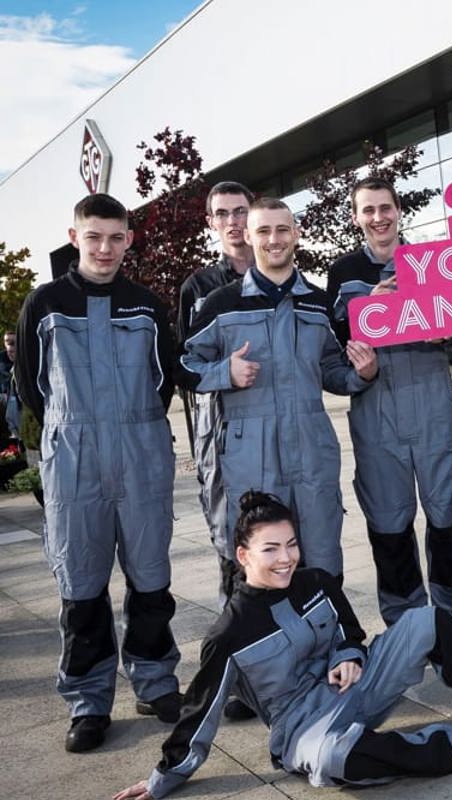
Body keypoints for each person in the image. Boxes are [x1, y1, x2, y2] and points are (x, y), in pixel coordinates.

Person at [111, 491, 452, 799]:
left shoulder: (316, 582)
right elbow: (199, 714)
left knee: (425, 620)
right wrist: (163, 778)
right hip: (305, 729)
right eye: (270, 550)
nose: (286, 558)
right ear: (242, 555)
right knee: (336, 760)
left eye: (291, 544)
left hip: (355, 687)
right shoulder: (229, 633)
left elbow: (349, 632)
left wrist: (348, 655)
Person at [15, 193, 181, 753]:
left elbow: (165, 380)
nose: (105, 248)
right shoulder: (45, 303)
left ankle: (154, 681)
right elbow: (31, 386)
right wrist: (76, 428)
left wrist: (132, 428)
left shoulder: (145, 304)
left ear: (128, 238)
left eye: (115, 237)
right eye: (94, 237)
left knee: (151, 577)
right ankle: (88, 701)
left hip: (141, 452)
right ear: (75, 237)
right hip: (76, 456)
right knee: (81, 586)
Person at [178, 197, 378, 582]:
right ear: (249, 237)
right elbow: (183, 365)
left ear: (296, 234)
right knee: (261, 564)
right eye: (264, 231)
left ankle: (328, 639)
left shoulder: (317, 303)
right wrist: (225, 373)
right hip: (250, 455)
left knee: (321, 558)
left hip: (311, 447)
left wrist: (362, 376)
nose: (274, 239)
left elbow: (331, 370)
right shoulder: (222, 304)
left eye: (282, 229)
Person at [326, 177, 452, 627]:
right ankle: (406, 627)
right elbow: (334, 350)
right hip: (377, 417)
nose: (378, 218)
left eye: (385, 208)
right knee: (389, 529)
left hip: (434, 411)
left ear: (398, 211)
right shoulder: (343, 273)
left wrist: (451, 333)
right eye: (368, 210)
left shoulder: (433, 262)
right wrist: (367, 317)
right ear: (356, 218)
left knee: (449, 522)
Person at [177, 181, 256, 611]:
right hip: (222, 430)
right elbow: (183, 366)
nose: (233, 222)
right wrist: (223, 373)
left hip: (277, 424)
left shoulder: (281, 275)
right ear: (211, 222)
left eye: (240, 211)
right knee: (232, 538)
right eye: (222, 214)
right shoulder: (199, 287)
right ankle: (235, 639)